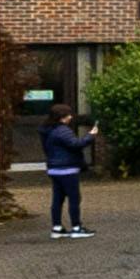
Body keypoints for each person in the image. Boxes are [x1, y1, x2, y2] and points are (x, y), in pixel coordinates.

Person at [39, 102, 92, 238]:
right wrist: (90, 136)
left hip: (54, 169)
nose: (70, 118)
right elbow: (76, 145)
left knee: (58, 199)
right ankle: (76, 227)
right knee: (74, 198)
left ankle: (56, 227)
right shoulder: (63, 131)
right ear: (62, 117)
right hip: (67, 169)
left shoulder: (47, 130)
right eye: (68, 115)